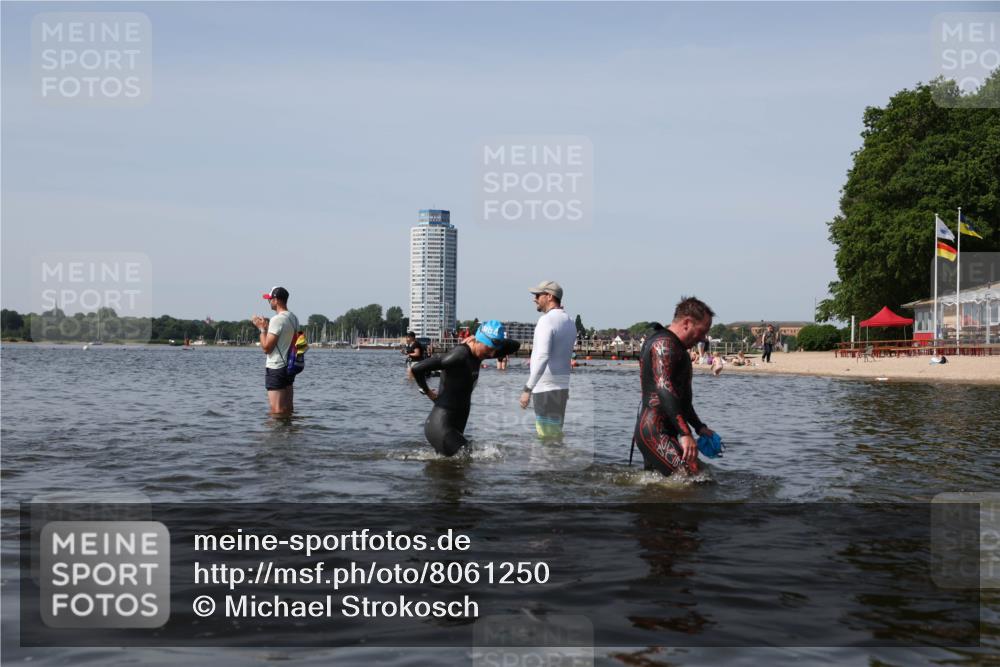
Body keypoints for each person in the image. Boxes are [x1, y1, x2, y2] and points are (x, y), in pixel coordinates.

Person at [633, 296, 716, 476]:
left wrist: (699, 427)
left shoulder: (679, 349)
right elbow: (665, 389)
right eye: (702, 331)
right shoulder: (664, 344)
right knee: (694, 480)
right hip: (654, 431)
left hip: (666, 429)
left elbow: (682, 399)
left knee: (663, 488)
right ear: (687, 323)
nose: (703, 338)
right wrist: (685, 434)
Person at [411, 320, 520, 457]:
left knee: (451, 472)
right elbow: (417, 368)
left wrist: (496, 341)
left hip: (456, 425)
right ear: (478, 340)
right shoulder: (459, 355)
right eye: (489, 349)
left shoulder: (480, 354)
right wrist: (428, 392)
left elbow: (515, 346)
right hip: (440, 426)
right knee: (469, 458)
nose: (492, 355)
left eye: (494, 350)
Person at [519, 281, 577, 440]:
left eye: (538, 295)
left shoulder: (546, 321)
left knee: (546, 438)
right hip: (561, 388)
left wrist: (527, 389)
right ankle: (557, 464)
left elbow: (542, 356)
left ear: (549, 296)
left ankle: (547, 465)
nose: (534, 299)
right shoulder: (570, 321)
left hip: (545, 389)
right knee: (555, 436)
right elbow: (565, 357)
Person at [251, 286, 300, 416]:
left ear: (276, 300)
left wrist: (262, 329)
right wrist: (268, 329)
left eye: (270, 299)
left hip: (276, 368)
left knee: (276, 410)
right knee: (288, 408)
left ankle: (275, 436)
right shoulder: (294, 318)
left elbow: (267, 348)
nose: (269, 302)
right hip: (289, 366)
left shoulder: (277, 319)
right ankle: (288, 434)